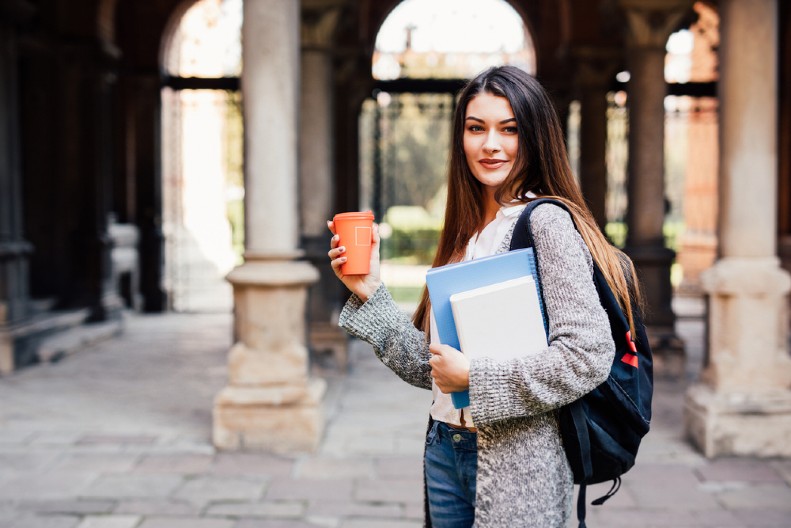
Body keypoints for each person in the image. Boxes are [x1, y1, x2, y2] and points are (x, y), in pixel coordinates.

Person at [327, 65, 643, 528]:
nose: (490, 144)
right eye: (476, 129)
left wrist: (475, 376)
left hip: (519, 463)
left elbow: (588, 354)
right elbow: (431, 370)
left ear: (535, 136)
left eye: (509, 129)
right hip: (444, 448)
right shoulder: (467, 234)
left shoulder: (545, 223)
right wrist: (370, 291)